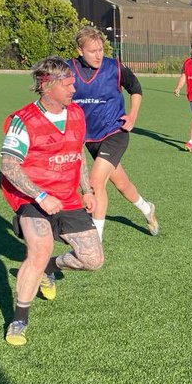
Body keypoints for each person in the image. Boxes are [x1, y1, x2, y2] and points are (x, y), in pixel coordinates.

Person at [0, 57, 104, 346]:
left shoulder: (77, 114)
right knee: (40, 248)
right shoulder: (23, 120)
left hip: (67, 197)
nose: (74, 89)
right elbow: (8, 166)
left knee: (93, 260)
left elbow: (77, 153)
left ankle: (50, 268)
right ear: (47, 86)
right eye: (68, 85)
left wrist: (87, 190)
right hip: (31, 197)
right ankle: (19, 319)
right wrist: (41, 196)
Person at [70, 26, 159, 239]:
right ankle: (147, 209)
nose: (98, 55)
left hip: (115, 132)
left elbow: (135, 88)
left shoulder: (114, 67)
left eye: (101, 49)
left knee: (95, 182)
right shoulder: (68, 70)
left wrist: (133, 116)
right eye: (93, 51)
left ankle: (96, 242)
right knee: (122, 184)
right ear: (80, 51)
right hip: (90, 139)